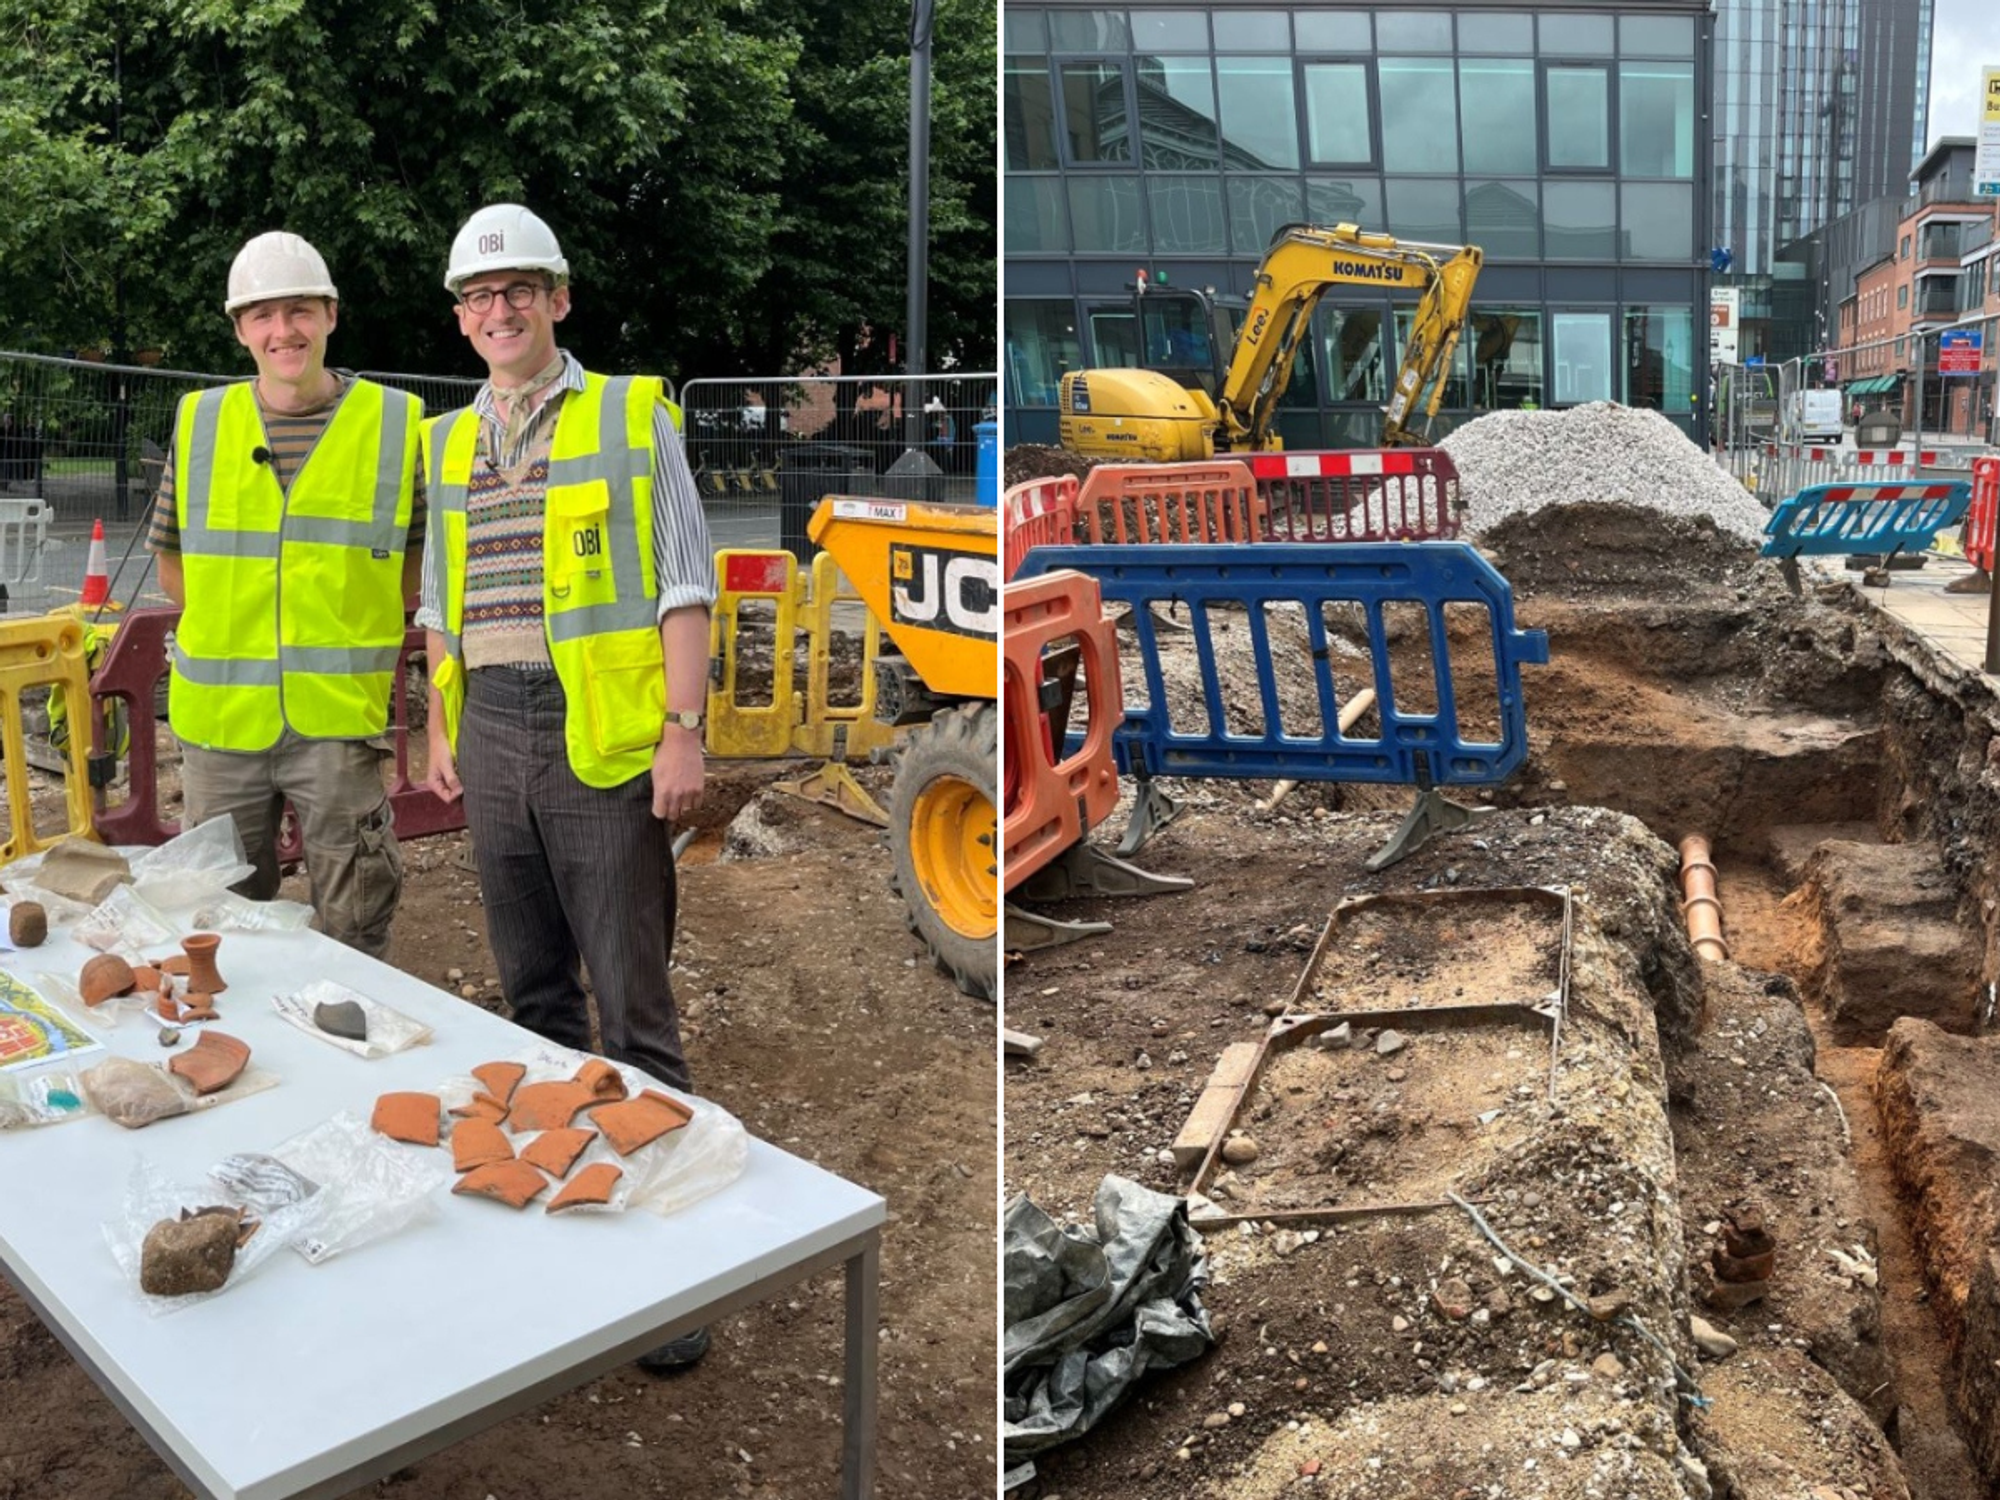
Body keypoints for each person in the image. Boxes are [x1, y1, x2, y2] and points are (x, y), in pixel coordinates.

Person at [415, 205, 716, 1370]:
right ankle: (570, 1240)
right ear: (462, 317)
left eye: (518, 291)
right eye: (479, 298)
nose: (498, 312)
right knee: (533, 999)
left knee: (634, 1012)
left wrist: (682, 732)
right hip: (490, 730)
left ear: (558, 299)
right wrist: (442, 727)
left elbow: (683, 584)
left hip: (600, 743)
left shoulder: (633, 415)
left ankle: (670, 1282)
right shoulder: (448, 442)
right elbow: (439, 598)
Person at [149, 232, 423, 959]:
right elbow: (173, 564)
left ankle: (343, 1024)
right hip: (221, 726)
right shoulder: (201, 422)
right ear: (240, 328)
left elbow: (413, 567)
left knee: (355, 922)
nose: (283, 330)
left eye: (299, 310)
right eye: (262, 315)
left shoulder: (396, 425)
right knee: (220, 924)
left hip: (337, 723)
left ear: (330, 314)